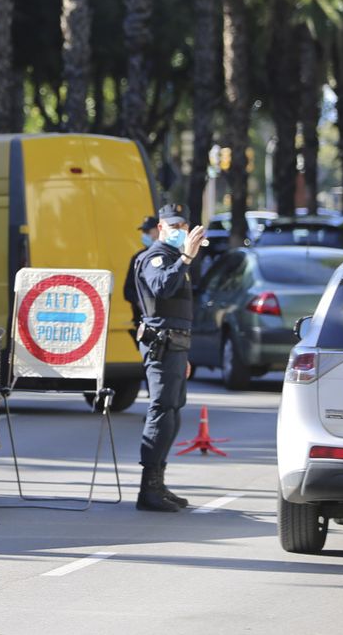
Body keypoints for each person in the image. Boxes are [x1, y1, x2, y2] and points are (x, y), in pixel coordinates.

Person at [130, 204, 206, 512]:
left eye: (184, 225)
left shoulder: (175, 259)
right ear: (161, 227)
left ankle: (158, 483)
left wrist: (183, 353)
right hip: (161, 344)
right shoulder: (156, 257)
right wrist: (187, 257)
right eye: (173, 225)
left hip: (175, 346)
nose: (180, 230)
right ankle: (148, 489)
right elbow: (162, 287)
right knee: (161, 411)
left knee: (172, 412)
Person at [123, 214, 161, 327]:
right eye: (143, 232)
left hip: (163, 319)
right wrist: (140, 303)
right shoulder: (138, 258)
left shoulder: (168, 256)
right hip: (142, 319)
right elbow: (127, 290)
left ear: (159, 230)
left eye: (148, 231)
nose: (144, 235)